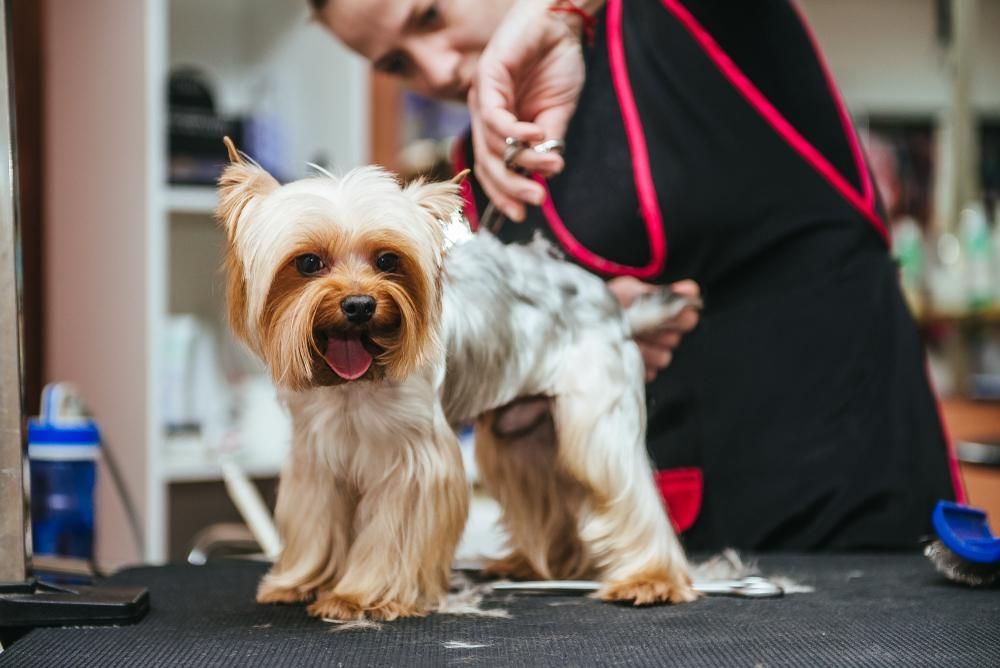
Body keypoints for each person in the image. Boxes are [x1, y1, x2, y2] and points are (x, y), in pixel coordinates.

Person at [310, 0, 963, 551]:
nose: (440, 67)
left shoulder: (681, 20)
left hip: (862, 504)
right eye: (397, 63)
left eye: (430, 16)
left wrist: (557, 13)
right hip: (677, 537)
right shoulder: (473, 175)